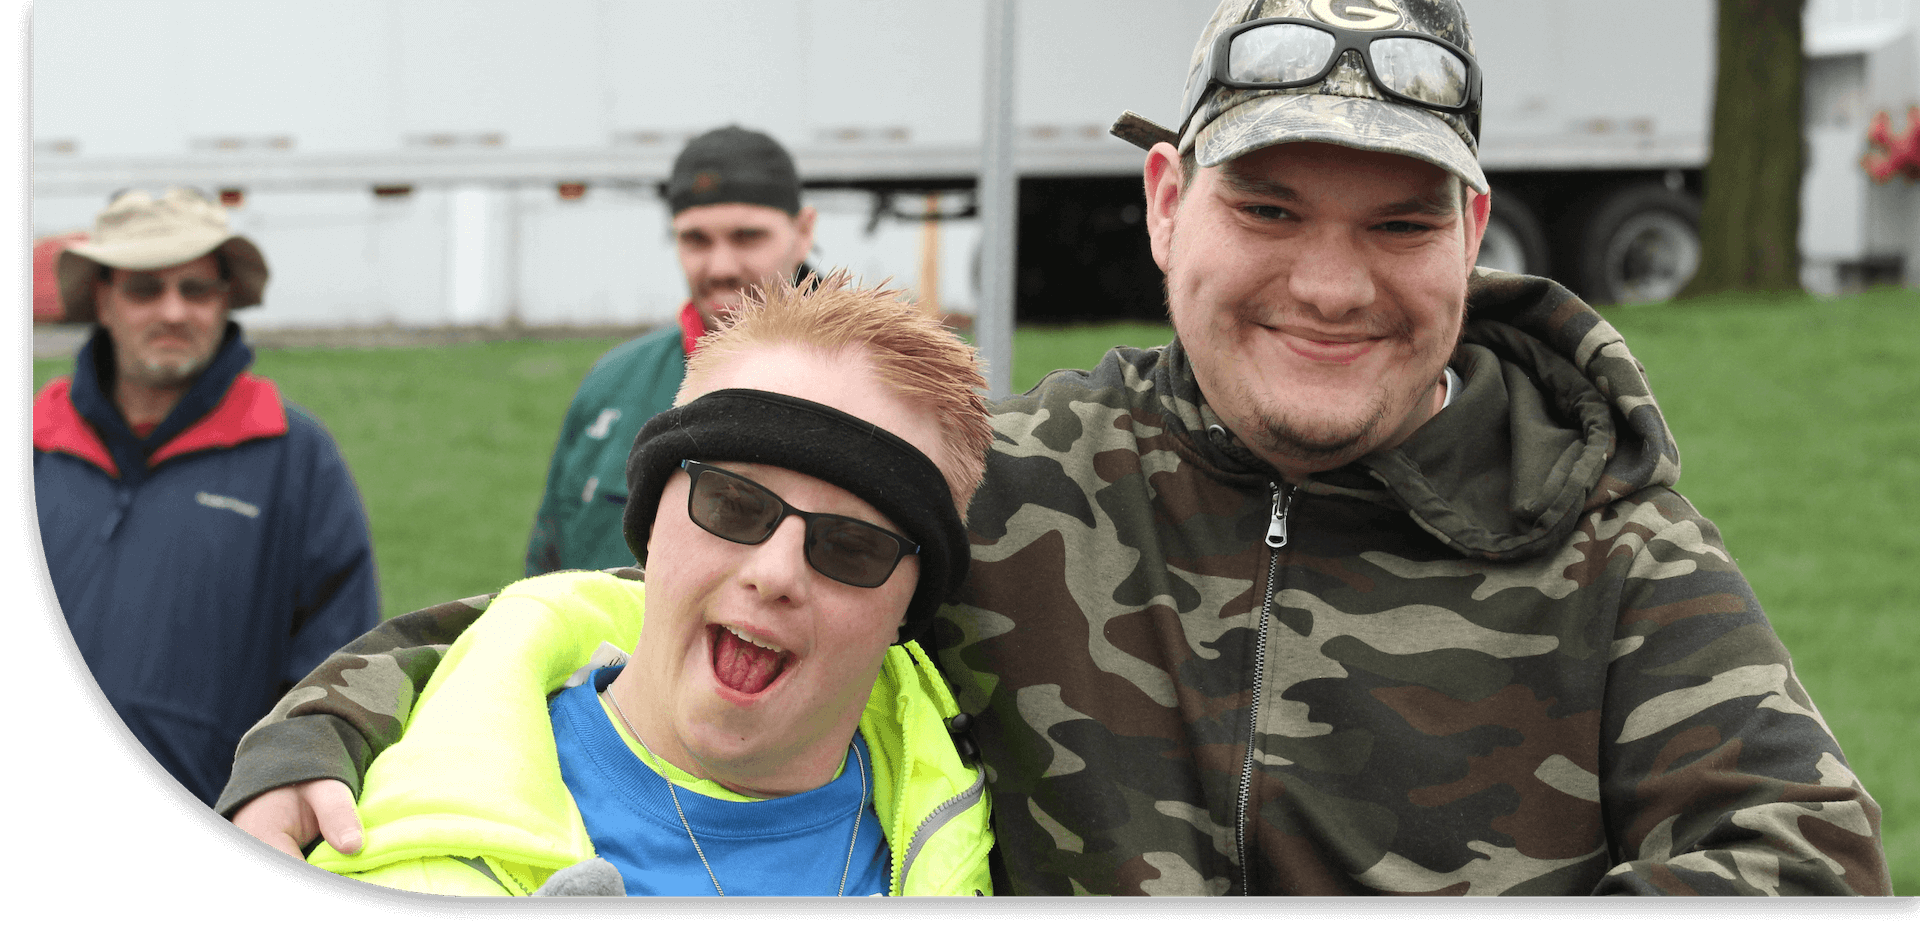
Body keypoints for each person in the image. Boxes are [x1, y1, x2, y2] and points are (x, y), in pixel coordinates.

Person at [217, 0, 1891, 896]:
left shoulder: (1599, 531)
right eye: (1268, 205)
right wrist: (322, 720)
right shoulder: (1019, 486)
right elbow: (628, 607)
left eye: (1395, 224)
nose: (1330, 280)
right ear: (1167, 202)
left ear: (1473, 231)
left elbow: (1802, 852)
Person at [279, 276, 992, 896]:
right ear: (649, 520)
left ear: (910, 604)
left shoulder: (1001, 841)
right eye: (733, 505)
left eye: (852, 547)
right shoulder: (388, 828)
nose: (775, 573)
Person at [33, 187, 379, 806]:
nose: (173, 311)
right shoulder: (40, 439)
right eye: (146, 288)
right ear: (103, 300)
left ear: (225, 301)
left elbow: (336, 670)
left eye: (196, 289)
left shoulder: (296, 456)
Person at [528, 125, 819, 576]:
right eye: (695, 240)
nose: (721, 267)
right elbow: (546, 571)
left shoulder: (874, 386)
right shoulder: (613, 384)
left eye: (747, 237)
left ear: (803, 232)